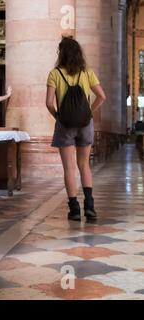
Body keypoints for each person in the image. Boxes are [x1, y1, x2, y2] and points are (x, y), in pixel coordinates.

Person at [46, 36, 106, 221]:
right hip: (85, 124)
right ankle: (90, 207)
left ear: (61, 53)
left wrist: (59, 117)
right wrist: (89, 112)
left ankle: (74, 210)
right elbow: (102, 96)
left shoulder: (55, 73)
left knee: (69, 168)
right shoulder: (87, 72)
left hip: (65, 125)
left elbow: (48, 103)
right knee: (84, 165)